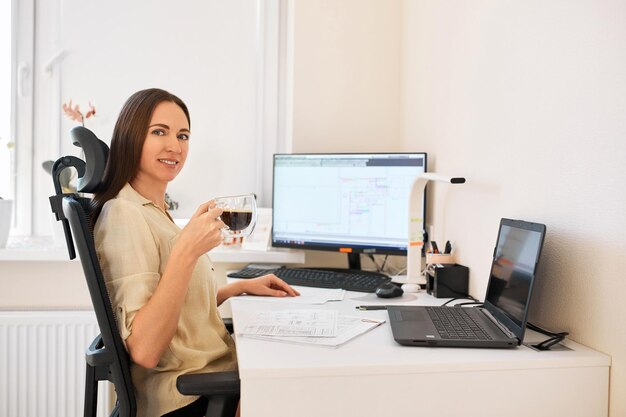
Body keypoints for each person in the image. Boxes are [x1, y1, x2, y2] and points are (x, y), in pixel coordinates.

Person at [92, 88, 299, 417]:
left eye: (183, 135)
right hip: (189, 395)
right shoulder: (124, 214)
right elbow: (145, 349)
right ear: (131, 137)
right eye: (159, 132)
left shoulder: (153, 210)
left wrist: (236, 288)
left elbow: (172, 304)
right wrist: (185, 253)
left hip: (214, 375)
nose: (174, 146)